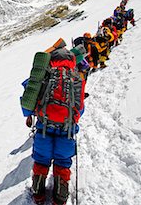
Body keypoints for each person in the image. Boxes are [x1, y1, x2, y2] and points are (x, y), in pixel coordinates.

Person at [21, 39, 86, 205]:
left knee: (42, 160)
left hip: (44, 127)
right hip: (67, 130)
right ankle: (60, 196)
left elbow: (28, 100)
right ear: (71, 61)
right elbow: (80, 109)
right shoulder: (78, 79)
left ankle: (38, 193)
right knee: (62, 162)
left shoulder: (46, 76)